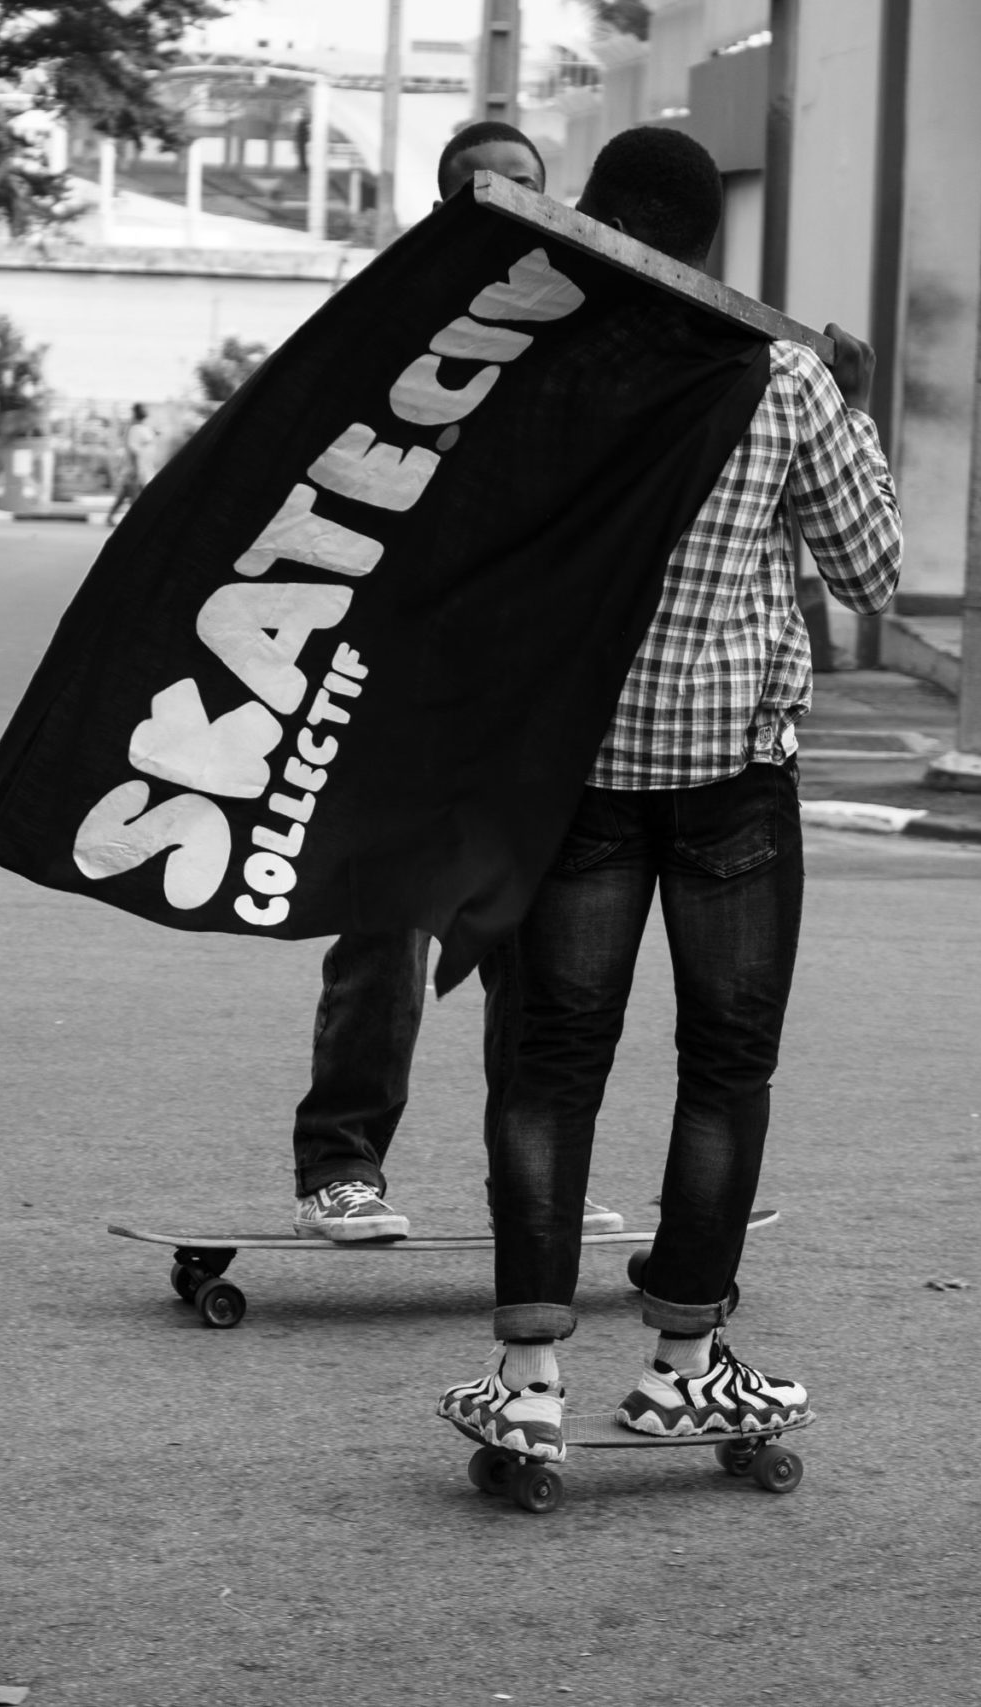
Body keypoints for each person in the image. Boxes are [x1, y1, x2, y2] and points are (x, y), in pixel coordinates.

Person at [436, 125, 901, 1461]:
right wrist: (851, 409)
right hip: (733, 781)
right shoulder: (782, 375)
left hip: (569, 774)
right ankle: (687, 1359)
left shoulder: (527, 364)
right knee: (726, 1064)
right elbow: (871, 574)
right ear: (712, 241)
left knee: (551, 1065)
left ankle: (525, 1379)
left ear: (589, 216)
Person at [285, 121, 629, 1242]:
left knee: (531, 947)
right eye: (480, 187)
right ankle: (340, 1167)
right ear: (445, 209)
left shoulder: (592, 321)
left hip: (535, 691)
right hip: (404, 686)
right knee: (387, 928)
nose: (506, 197)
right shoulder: (392, 327)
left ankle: (529, 1179)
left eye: (525, 183)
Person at [105, 404, 155, 527]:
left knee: (126, 494)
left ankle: (111, 517)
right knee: (136, 496)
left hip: (142, 468)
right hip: (137, 469)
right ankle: (135, 522)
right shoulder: (135, 430)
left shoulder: (142, 428)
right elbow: (133, 451)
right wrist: (135, 469)